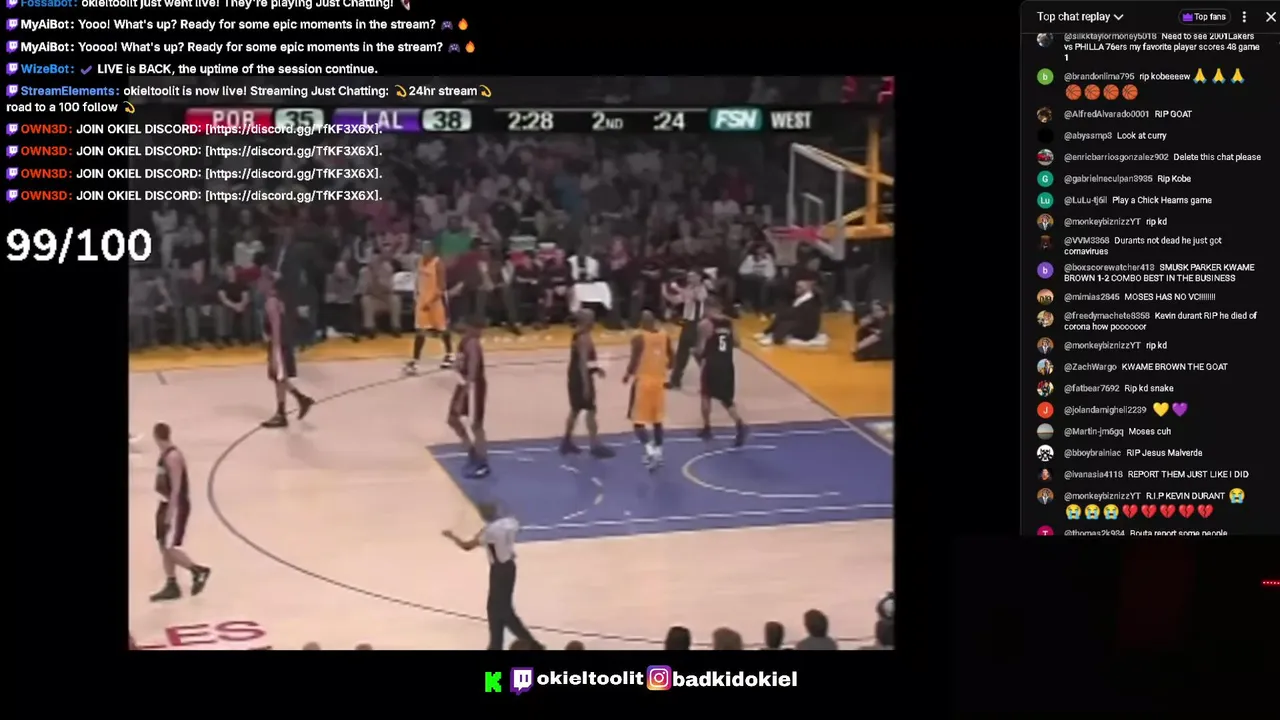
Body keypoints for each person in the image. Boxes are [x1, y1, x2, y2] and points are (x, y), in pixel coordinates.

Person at [442, 502, 542, 650]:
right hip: (509, 567)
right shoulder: (510, 522)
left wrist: (451, 536)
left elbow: (467, 546)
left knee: (503, 611)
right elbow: (515, 523)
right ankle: (496, 644)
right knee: (496, 609)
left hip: (499, 570)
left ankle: (530, 645)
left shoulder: (489, 532)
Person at [149, 422, 212, 602]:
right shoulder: (164, 454)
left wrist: (171, 512)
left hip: (175, 506)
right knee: (163, 545)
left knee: (170, 547)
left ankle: (198, 571)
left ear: (156, 437)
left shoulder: (173, 457)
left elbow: (176, 488)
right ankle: (171, 584)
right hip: (164, 503)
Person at [261, 275, 316, 429]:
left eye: (262, 281)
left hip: (279, 344)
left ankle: (282, 414)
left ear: (270, 284)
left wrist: (275, 350)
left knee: (279, 377)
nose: (259, 284)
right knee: (279, 377)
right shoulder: (279, 299)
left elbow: (276, 327)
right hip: (282, 343)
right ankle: (301, 400)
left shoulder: (271, 302)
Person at [561, 310, 615, 458]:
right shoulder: (584, 338)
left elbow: (583, 361)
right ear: (586, 321)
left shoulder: (578, 335)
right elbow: (582, 363)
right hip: (581, 379)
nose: (594, 322)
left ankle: (566, 442)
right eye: (592, 319)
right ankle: (595, 445)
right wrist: (586, 386)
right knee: (591, 410)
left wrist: (596, 369)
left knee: (575, 410)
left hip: (574, 377)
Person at [623, 310, 672, 470]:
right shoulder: (665, 336)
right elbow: (672, 360)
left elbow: (634, 361)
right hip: (659, 383)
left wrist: (627, 375)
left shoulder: (638, 338)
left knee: (637, 421)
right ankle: (659, 453)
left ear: (642, 323)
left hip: (643, 384)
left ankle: (650, 451)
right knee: (657, 421)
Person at [694, 296, 746, 446]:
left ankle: (707, 428)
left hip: (712, 364)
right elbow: (738, 343)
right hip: (727, 364)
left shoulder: (705, 324)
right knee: (726, 399)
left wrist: (694, 352)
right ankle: (740, 424)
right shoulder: (730, 322)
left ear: (707, 308)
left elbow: (700, 349)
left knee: (706, 395)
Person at [447, 315, 489, 478]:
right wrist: (456, 366)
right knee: (453, 420)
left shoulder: (472, 344)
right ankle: (473, 455)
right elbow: (463, 365)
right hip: (464, 385)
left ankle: (482, 463)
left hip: (473, 387)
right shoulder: (465, 341)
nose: (481, 333)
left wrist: (463, 395)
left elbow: (472, 371)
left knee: (476, 425)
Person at [405, 241, 455, 374]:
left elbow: (441, 287)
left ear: (433, 250)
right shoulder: (419, 261)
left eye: (427, 248)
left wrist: (430, 301)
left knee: (442, 329)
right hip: (422, 301)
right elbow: (418, 280)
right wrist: (416, 296)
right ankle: (415, 361)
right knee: (420, 331)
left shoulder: (438, 263)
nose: (425, 250)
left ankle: (450, 355)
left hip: (436, 301)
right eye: (423, 248)